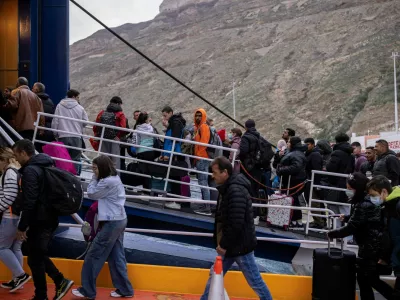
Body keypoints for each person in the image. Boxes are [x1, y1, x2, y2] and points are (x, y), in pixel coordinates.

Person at [200, 157, 273, 300]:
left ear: (225, 173)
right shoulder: (229, 188)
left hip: (239, 246)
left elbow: (235, 222)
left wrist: (224, 244)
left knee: (255, 281)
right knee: (214, 274)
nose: (212, 176)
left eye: (214, 173)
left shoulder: (234, 190)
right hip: (232, 245)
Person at [12, 139, 73, 300]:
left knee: (35, 259)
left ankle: (47, 292)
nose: (16, 159)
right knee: (35, 256)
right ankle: (54, 285)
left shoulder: (31, 171)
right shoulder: (46, 165)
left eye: (17, 155)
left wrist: (22, 226)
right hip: (49, 218)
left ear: (24, 153)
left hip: (39, 220)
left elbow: (30, 201)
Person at [72, 156, 133, 299]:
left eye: (95, 168)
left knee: (94, 255)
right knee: (116, 255)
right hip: (119, 219)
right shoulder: (114, 178)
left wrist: (93, 178)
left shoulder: (106, 181)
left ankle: (87, 291)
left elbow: (92, 193)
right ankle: (125, 289)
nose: (94, 171)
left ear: (102, 168)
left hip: (112, 222)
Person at [328, 173, 392, 300]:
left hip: (370, 246)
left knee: (367, 279)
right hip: (372, 245)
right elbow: (364, 220)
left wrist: (331, 234)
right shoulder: (367, 201)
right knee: (367, 279)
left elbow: (353, 226)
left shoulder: (364, 203)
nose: (348, 191)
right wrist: (347, 218)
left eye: (350, 189)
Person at [0, 147, 31, 292]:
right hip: (20, 216)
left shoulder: (9, 172)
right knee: (15, 247)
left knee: (1, 247)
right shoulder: (18, 171)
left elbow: (9, 196)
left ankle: (20, 275)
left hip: (11, 216)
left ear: (3, 160)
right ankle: (17, 280)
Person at [367, 176, 400, 299]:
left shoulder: (397, 206)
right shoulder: (388, 206)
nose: (372, 199)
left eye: (374, 195)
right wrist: (385, 257)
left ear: (384, 191)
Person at [52, 89, 89, 175]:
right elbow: (85, 122)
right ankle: (73, 178)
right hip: (76, 137)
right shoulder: (80, 108)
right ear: (74, 97)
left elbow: (55, 121)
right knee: (75, 159)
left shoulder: (59, 106)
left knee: (62, 159)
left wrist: (55, 133)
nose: (79, 99)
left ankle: (62, 178)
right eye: (78, 97)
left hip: (62, 136)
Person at [276, 136, 307, 228]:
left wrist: (281, 169)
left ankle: (295, 220)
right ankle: (294, 220)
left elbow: (295, 167)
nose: (287, 143)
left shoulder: (296, 154)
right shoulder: (295, 152)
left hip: (293, 181)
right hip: (291, 181)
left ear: (293, 143)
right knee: (293, 199)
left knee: (293, 200)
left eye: (289, 142)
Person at [325, 133, 355, 225]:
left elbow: (331, 168)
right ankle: (347, 236)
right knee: (345, 208)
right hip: (346, 183)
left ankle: (336, 232)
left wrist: (326, 165)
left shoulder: (336, 153)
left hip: (335, 184)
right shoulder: (351, 155)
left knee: (334, 210)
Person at [239, 119, 264, 225]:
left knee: (248, 190)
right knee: (255, 191)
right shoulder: (259, 136)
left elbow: (243, 151)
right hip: (257, 167)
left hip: (248, 168)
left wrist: (240, 158)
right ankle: (256, 215)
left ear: (245, 127)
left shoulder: (246, 137)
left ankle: (251, 215)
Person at [93, 96, 127, 170]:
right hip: (115, 139)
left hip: (103, 138)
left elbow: (95, 127)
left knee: (103, 160)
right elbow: (123, 128)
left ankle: (102, 177)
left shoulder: (102, 113)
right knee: (115, 162)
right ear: (118, 104)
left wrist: (99, 135)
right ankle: (114, 178)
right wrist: (118, 135)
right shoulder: (120, 114)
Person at [193, 108, 212, 216]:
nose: (198, 117)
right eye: (196, 115)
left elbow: (204, 143)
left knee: (203, 182)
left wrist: (198, 157)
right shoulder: (200, 127)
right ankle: (205, 205)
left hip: (202, 158)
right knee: (201, 182)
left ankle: (207, 208)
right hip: (201, 158)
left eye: (200, 115)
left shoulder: (203, 127)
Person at [303, 137, 325, 228]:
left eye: (308, 144)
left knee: (314, 203)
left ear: (312, 144)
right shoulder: (310, 154)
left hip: (313, 182)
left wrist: (316, 185)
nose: (306, 146)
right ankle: (319, 221)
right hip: (310, 182)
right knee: (313, 202)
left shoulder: (315, 154)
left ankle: (320, 222)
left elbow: (316, 170)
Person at [132, 112, 155, 191]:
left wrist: (135, 150)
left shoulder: (137, 129)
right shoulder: (151, 128)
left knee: (143, 171)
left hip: (142, 152)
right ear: (146, 120)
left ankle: (145, 190)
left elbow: (136, 142)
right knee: (150, 172)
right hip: (151, 151)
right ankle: (150, 190)